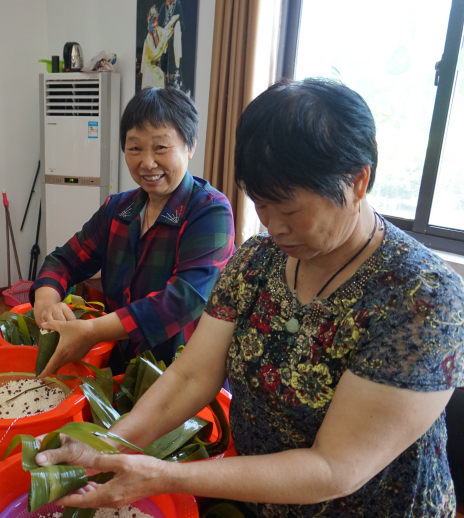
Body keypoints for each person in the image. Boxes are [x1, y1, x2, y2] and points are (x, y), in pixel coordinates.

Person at [35, 79, 464, 516]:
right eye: (261, 205)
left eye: (290, 209)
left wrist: (162, 474)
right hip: (265, 502)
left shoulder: (422, 297)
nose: (273, 226)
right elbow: (191, 376)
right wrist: (109, 445)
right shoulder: (258, 261)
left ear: (357, 182)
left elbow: (334, 468)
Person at [31, 87, 234, 378]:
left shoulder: (210, 211)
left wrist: (92, 330)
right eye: (135, 148)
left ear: (190, 147)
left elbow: (183, 300)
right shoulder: (118, 208)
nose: (147, 163)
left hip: (181, 378)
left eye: (161, 148)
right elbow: (64, 260)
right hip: (119, 370)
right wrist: (46, 301)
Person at [140, 6, 179, 89]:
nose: (153, 25)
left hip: (156, 70)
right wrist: (162, 40)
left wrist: (173, 21)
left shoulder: (159, 30)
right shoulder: (149, 38)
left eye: (155, 22)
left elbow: (166, 32)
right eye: (151, 23)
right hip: (150, 71)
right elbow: (154, 55)